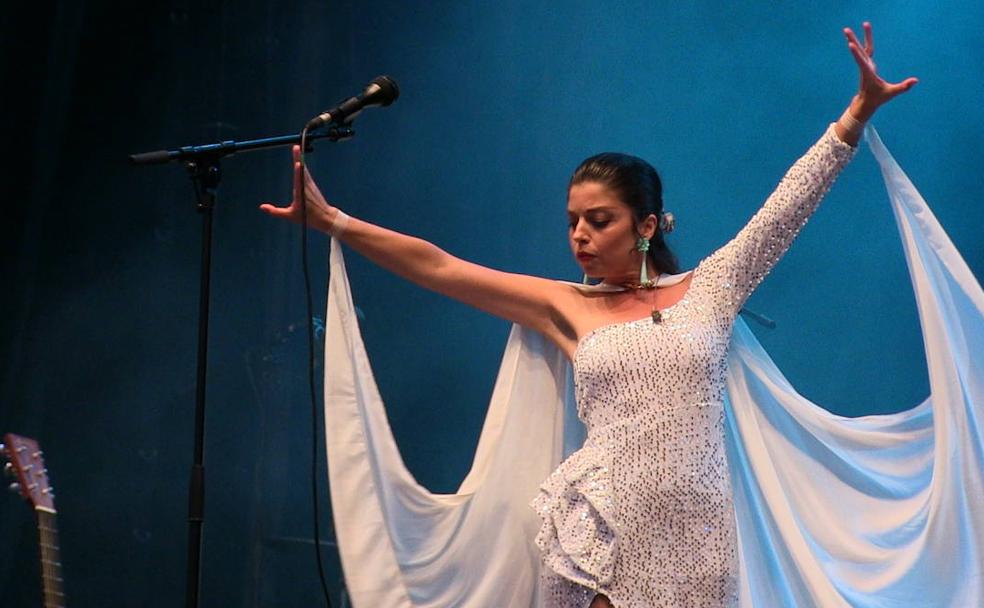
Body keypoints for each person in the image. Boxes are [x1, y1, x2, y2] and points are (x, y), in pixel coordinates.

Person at [261, 22, 916, 608]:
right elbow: (440, 267)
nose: (578, 234)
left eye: (598, 220)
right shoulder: (565, 305)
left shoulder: (710, 289)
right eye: (572, 220)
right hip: (600, 530)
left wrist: (856, 113)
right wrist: (335, 221)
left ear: (646, 225)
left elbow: (785, 211)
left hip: (697, 539)